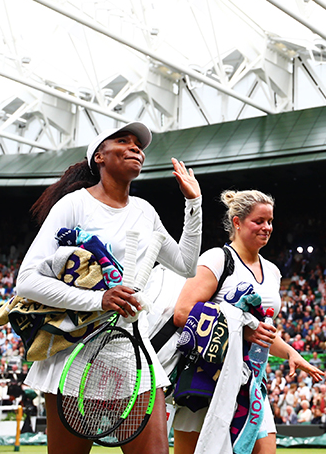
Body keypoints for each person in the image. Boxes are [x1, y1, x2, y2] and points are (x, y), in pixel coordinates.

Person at [17, 121, 204, 454]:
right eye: (123, 140)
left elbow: (187, 266)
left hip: (133, 351)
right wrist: (99, 299)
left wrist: (194, 205)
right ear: (99, 156)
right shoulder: (74, 205)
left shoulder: (145, 211)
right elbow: (27, 280)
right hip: (74, 353)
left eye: (138, 144)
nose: (136, 148)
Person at [172, 189, 325, 454]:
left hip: (251, 380)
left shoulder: (274, 272)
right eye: (259, 221)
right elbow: (183, 312)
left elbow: (262, 331)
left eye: (270, 221)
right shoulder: (218, 259)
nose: (267, 227)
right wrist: (242, 330)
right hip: (208, 378)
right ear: (237, 222)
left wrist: (290, 353)